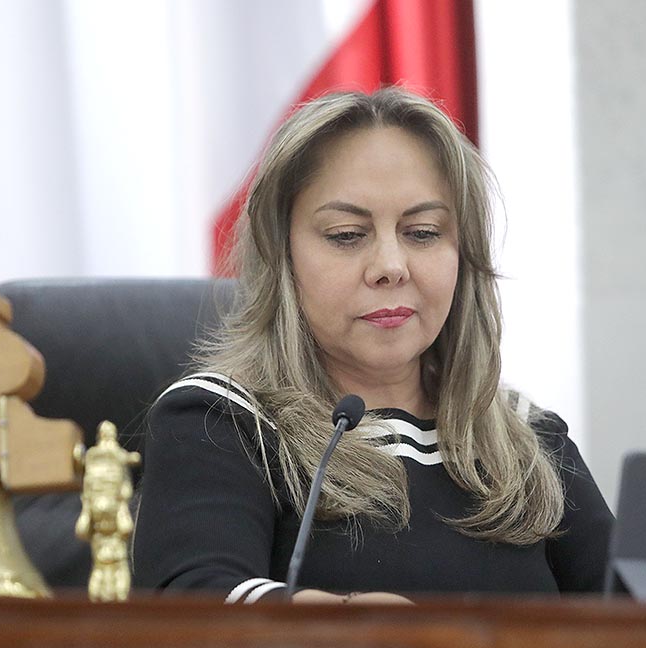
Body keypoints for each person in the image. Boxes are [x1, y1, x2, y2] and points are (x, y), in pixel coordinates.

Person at [132, 87, 613, 604]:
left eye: (423, 232)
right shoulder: (221, 421)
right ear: (281, 254)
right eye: (346, 234)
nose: (391, 266)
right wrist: (346, 625)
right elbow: (192, 606)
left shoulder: (529, 439)